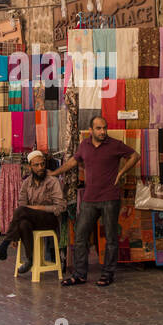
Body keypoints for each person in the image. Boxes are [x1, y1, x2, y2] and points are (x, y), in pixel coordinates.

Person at [51, 115, 138, 287]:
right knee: (81, 236)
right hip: (89, 199)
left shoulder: (114, 145)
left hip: (110, 198)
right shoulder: (84, 145)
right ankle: (80, 274)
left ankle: (107, 274)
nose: (103, 131)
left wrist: (122, 173)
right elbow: (73, 161)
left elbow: (135, 156)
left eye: (104, 128)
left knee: (111, 238)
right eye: (98, 128)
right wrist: (54, 173)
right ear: (91, 130)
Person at [0, 151, 66, 276]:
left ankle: (3, 246)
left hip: (50, 219)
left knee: (21, 211)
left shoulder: (52, 181)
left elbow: (60, 207)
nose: (40, 168)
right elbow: (22, 204)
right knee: (23, 223)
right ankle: (30, 259)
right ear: (30, 167)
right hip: (32, 220)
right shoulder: (26, 183)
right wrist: (16, 232)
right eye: (36, 165)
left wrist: (38, 208)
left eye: (42, 164)